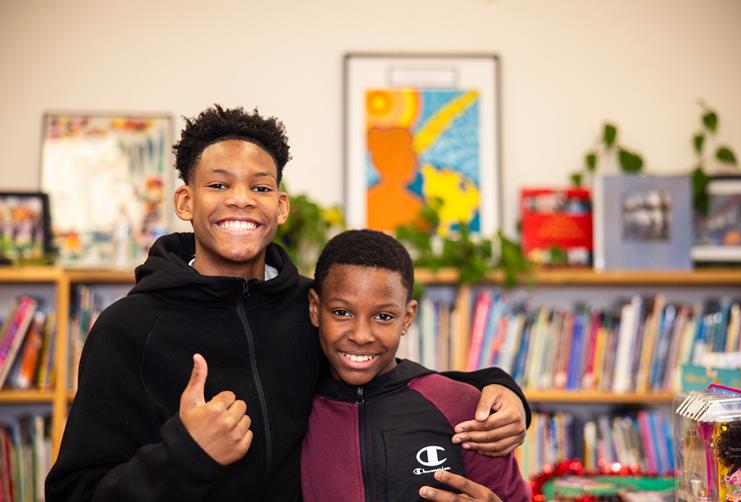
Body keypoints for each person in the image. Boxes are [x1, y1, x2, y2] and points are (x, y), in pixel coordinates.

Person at [45, 104, 530, 501]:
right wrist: (187, 453)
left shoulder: (311, 308)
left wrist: (500, 388)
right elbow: (75, 493)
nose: (241, 199)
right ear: (186, 202)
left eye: (260, 187)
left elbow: (383, 373)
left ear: (280, 206)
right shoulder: (127, 327)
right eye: (219, 184)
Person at [301, 229, 530, 502]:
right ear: (314, 308)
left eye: (383, 316)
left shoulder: (465, 410)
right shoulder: (293, 410)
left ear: (407, 318)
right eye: (342, 312)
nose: (361, 336)